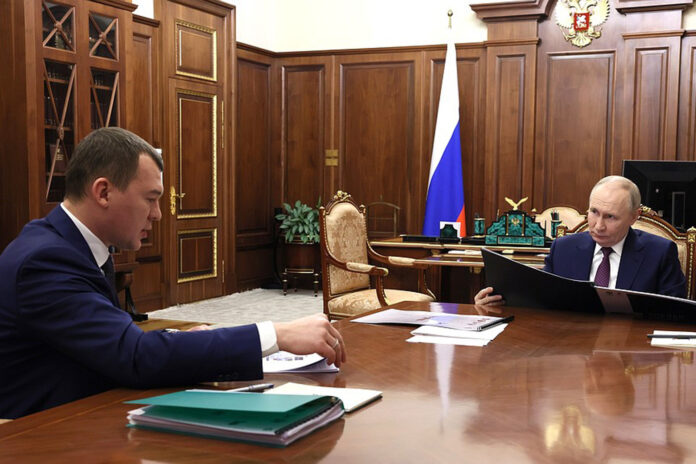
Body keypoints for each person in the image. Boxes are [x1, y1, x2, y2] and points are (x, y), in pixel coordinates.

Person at [0, 127, 345, 419]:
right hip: (42, 435)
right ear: (103, 192)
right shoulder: (44, 261)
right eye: (150, 198)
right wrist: (275, 334)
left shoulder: (75, 245)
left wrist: (184, 341)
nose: (158, 214)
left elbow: (109, 338)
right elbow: (134, 356)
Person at [475, 175, 686, 305]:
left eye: (610, 217)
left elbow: (676, 314)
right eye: (594, 212)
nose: (598, 225)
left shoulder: (660, 253)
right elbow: (541, 300)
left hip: (630, 352)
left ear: (634, 217)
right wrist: (498, 303)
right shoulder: (563, 249)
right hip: (572, 350)